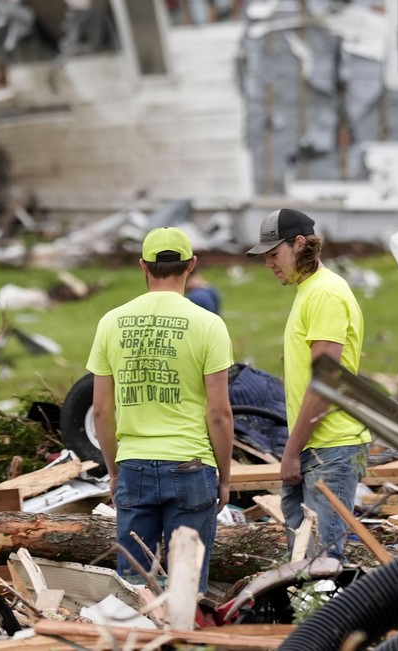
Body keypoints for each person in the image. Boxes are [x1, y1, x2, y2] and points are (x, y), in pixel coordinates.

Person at [87, 228, 234, 592]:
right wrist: (226, 477)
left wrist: (113, 468)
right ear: (191, 265)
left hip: (134, 464)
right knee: (186, 589)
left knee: (133, 587)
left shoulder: (111, 322)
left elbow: (102, 411)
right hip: (191, 464)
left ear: (143, 267)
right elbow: (219, 413)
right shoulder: (209, 324)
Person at [246, 208, 370, 560]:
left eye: (274, 255)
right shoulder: (309, 290)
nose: (269, 264)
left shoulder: (325, 294)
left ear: (299, 244)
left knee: (321, 566)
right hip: (315, 447)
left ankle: (328, 617)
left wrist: (290, 451)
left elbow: (325, 384)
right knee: (302, 564)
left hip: (331, 448)